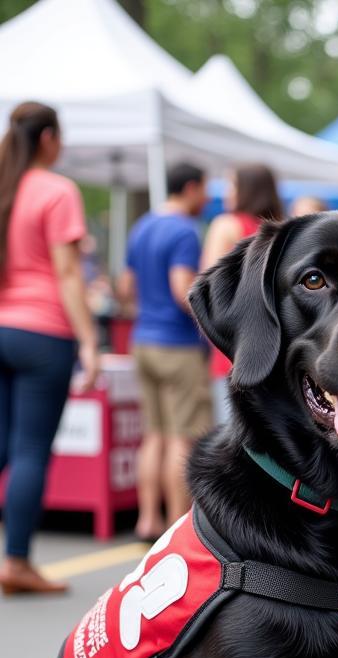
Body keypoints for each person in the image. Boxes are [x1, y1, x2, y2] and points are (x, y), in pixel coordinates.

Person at [0, 102, 99, 595]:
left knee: (3, 447)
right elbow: (66, 274)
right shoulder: (58, 191)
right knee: (29, 452)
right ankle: (16, 561)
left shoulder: (4, 188)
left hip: (2, 326)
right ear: (47, 140)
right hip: (43, 334)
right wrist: (88, 341)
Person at [118, 162, 210, 543]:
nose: (205, 198)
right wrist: (210, 311)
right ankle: (174, 524)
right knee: (181, 436)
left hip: (143, 340)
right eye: (204, 189)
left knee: (154, 434)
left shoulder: (142, 226)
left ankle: (146, 519)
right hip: (178, 345)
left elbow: (125, 287)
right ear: (190, 188)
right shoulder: (185, 231)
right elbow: (181, 287)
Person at [201, 163, 283, 423]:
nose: (226, 192)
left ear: (248, 189)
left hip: (234, 348)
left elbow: (210, 287)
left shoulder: (226, 225)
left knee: (233, 434)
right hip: (273, 350)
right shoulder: (282, 233)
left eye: (232, 185)